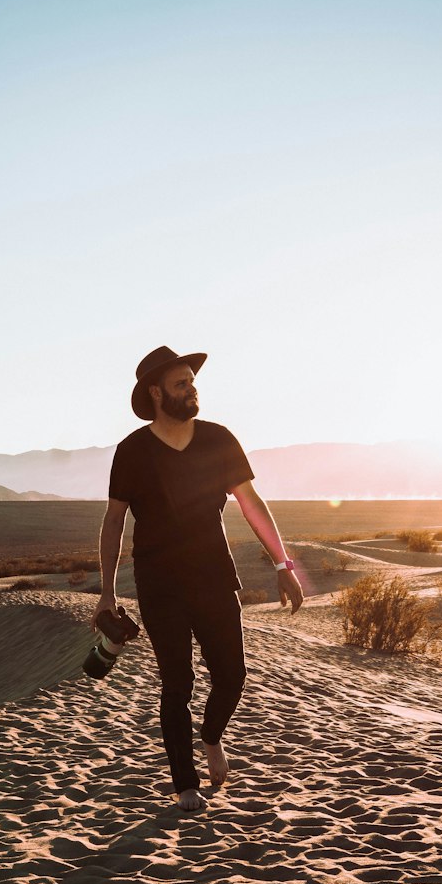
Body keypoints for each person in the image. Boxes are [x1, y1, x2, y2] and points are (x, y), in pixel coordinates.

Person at [93, 345, 304, 812]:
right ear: (156, 393)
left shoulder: (218, 439)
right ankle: (184, 782)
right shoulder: (132, 451)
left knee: (232, 675)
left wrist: (282, 564)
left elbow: (251, 503)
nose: (192, 390)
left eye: (192, 382)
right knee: (177, 683)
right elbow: (113, 522)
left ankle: (211, 738)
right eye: (181, 384)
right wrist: (107, 591)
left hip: (214, 576)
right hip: (159, 583)